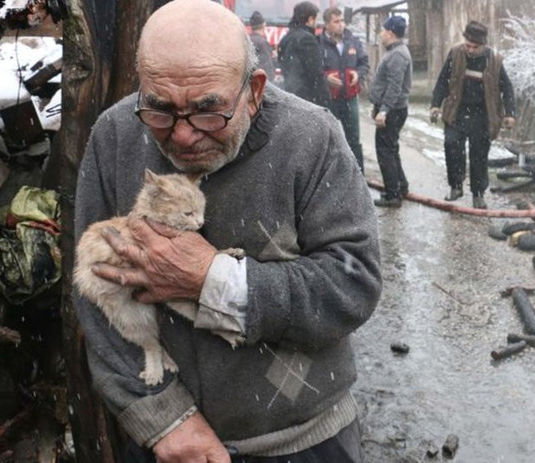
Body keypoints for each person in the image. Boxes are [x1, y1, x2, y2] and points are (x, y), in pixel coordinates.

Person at [73, 1, 381, 462]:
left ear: (254, 91)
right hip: (165, 445)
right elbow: (92, 295)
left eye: (207, 111)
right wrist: (163, 420)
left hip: (302, 442)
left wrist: (213, 281)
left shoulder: (312, 138)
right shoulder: (115, 136)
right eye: (160, 109)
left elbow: (353, 284)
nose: (181, 135)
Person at [430, 20, 516, 209]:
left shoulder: (494, 60)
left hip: (482, 114)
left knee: (479, 155)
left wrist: (510, 113)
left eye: (474, 47)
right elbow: (443, 80)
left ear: (483, 45)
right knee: (451, 145)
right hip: (457, 111)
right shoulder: (455, 54)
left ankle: (478, 194)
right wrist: (435, 104)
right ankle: (456, 186)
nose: (469, 49)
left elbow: (507, 88)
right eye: (467, 45)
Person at [368, 16, 412, 208]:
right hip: (392, 108)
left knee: (385, 151)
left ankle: (393, 195)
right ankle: (401, 186)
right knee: (391, 149)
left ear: (390, 33)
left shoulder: (397, 55)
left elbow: (394, 87)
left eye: (383, 30)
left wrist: (384, 111)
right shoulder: (396, 52)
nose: (380, 34)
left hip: (392, 110)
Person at [319, 7, 369, 173]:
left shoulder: (352, 41)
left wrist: (358, 74)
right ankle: (331, 175)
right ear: (327, 25)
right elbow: (313, 70)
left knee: (354, 139)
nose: (341, 25)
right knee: (329, 139)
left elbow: (364, 63)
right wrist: (326, 79)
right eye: (336, 22)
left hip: (350, 97)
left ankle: (358, 175)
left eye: (342, 21)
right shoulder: (318, 43)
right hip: (329, 99)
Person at [277, 1, 330, 107]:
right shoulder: (308, 40)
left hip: (289, 96)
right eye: (315, 20)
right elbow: (315, 74)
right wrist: (325, 100)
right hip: (307, 100)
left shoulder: (285, 39)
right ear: (310, 20)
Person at [248, 11, 278, 84]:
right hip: (260, 83)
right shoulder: (263, 43)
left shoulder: (247, 40)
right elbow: (267, 67)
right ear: (263, 26)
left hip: (249, 81)